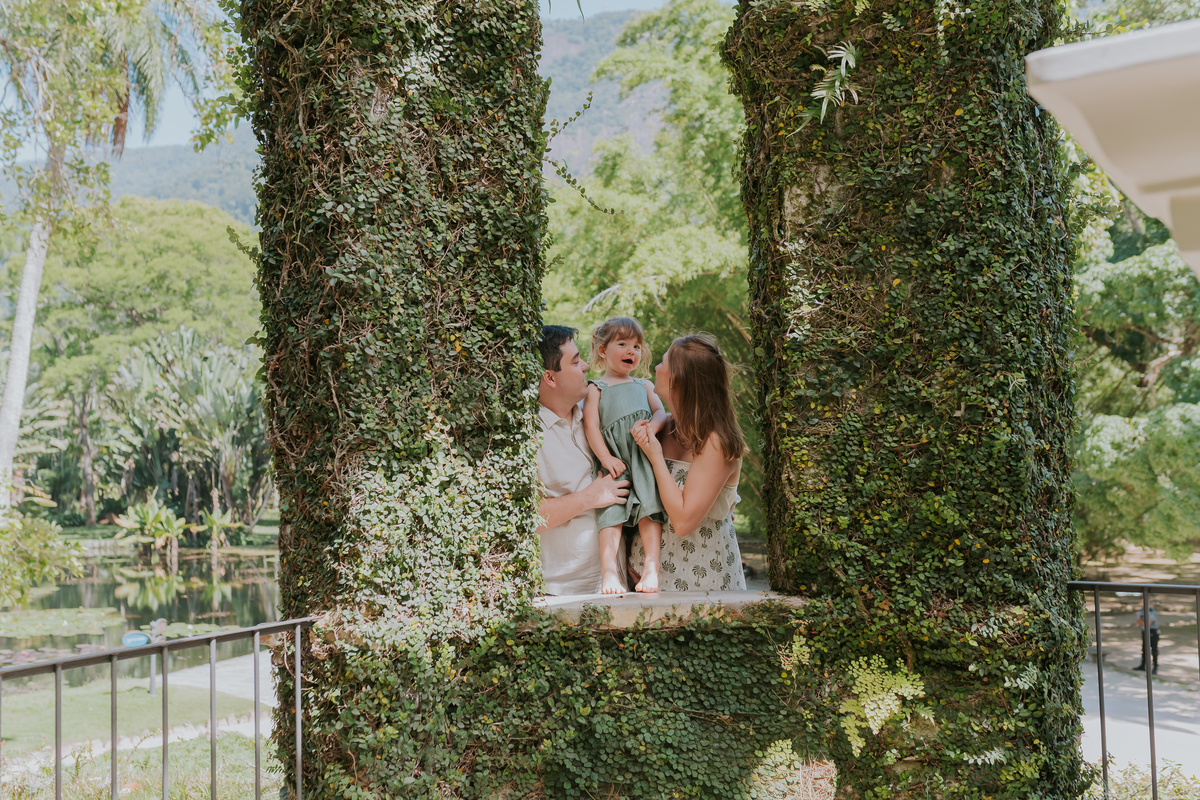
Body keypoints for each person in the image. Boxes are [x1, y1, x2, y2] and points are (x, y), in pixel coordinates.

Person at [629, 334, 747, 592]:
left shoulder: (716, 442)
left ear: (678, 380)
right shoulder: (662, 425)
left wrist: (656, 457)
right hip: (644, 579)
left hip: (702, 582)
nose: (657, 368)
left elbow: (682, 522)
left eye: (663, 363)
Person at [536, 325, 632, 596]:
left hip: (618, 584)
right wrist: (589, 498)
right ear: (550, 378)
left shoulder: (598, 413)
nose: (587, 366)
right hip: (561, 593)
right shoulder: (527, 437)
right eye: (576, 361)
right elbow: (524, 517)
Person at [583, 317, 668, 594]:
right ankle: (609, 574)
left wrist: (652, 428)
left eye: (636, 346)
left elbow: (660, 412)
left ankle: (651, 570)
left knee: (649, 510)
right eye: (622, 344)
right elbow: (592, 427)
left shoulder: (644, 384)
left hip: (641, 456)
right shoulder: (596, 388)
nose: (631, 350)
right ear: (603, 350)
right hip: (616, 459)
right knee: (611, 514)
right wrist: (606, 458)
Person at [1134, 603, 1159, 674]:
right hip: (1144, 631)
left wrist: (1144, 622)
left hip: (1152, 632)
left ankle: (1155, 667)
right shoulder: (1141, 611)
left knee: (1154, 650)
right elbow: (1138, 622)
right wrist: (1145, 622)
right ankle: (1143, 665)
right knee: (1144, 649)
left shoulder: (1152, 611)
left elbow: (1149, 623)